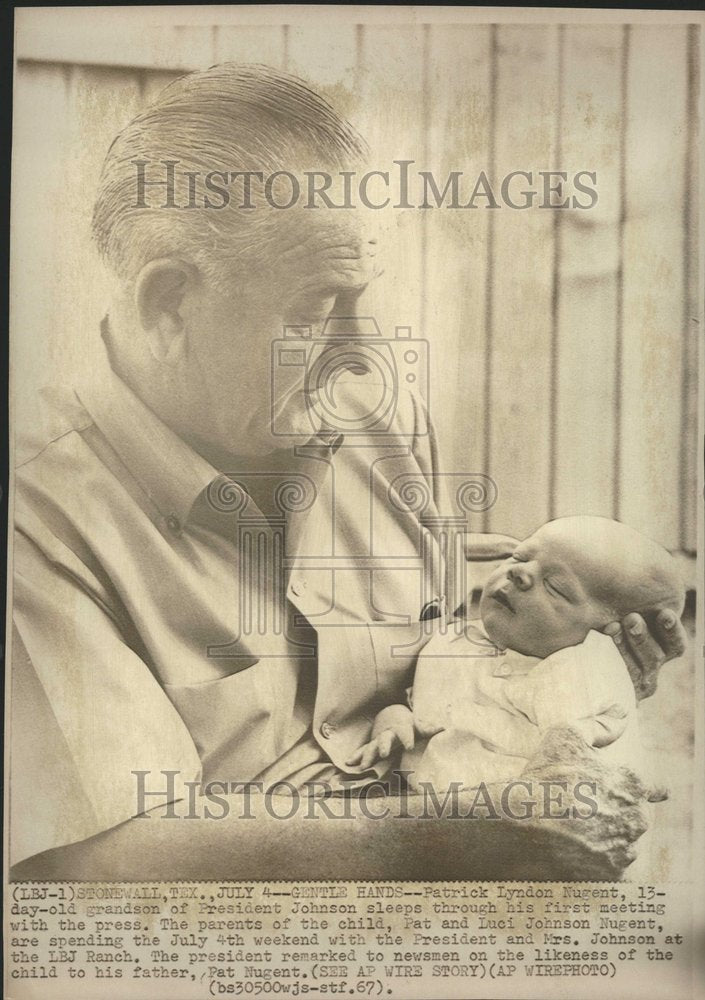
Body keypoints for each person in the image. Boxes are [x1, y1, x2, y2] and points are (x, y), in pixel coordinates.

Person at [9, 64, 686, 876]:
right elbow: (77, 873)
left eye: (361, 301)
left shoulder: (378, 424)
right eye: (317, 308)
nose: (362, 359)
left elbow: (456, 669)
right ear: (168, 305)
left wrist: (567, 673)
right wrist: (454, 837)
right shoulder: (36, 513)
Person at [347, 516, 685, 791]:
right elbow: (416, 706)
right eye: (520, 557)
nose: (520, 573)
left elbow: (615, 761)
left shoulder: (577, 685)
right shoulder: (453, 641)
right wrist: (393, 722)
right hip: (425, 828)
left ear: (611, 639)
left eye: (556, 587)